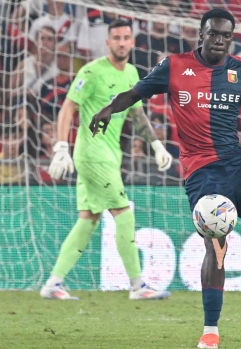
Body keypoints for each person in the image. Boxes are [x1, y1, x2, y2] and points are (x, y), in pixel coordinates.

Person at [87, 9, 241, 349]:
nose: (219, 40)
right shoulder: (174, 66)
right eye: (213, 33)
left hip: (236, 160)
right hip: (201, 171)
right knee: (217, 244)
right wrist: (106, 110)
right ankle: (210, 331)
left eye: (226, 35)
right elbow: (134, 93)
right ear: (201, 34)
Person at [39, 19, 173, 301]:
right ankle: (138, 286)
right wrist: (61, 147)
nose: (122, 42)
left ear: (132, 42)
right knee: (123, 212)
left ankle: (53, 282)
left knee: (89, 217)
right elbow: (68, 108)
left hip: (111, 155)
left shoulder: (133, 73)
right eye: (116, 38)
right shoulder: (92, 71)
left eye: (126, 37)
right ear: (108, 42)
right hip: (92, 153)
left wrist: (157, 145)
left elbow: (136, 115)